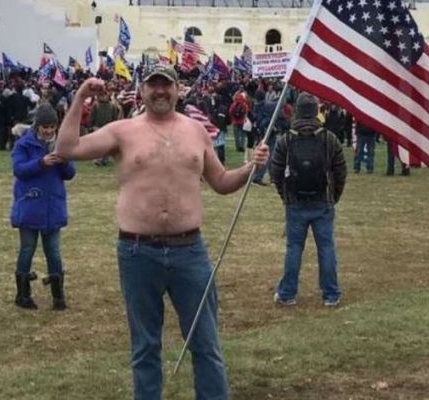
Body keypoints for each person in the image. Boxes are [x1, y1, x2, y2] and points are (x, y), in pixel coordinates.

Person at [56, 66, 269, 400]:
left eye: (166, 85)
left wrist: (250, 168)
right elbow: (67, 148)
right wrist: (81, 95)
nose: (160, 91)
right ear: (141, 91)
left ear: (177, 89)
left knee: (206, 343)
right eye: (153, 85)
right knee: (145, 347)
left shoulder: (197, 132)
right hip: (138, 253)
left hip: (190, 252)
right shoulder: (122, 131)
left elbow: (221, 182)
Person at [269, 92, 347, 307]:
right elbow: (340, 171)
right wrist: (334, 196)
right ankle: (331, 295)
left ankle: (287, 294)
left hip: (295, 202)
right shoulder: (329, 139)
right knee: (326, 248)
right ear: (316, 112)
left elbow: (275, 172)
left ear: (296, 111)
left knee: (294, 248)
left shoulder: (286, 140)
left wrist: (285, 196)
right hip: (323, 202)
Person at [10, 104, 75, 311]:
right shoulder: (23, 144)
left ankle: (58, 296)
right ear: (37, 126)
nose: (48, 131)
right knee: (27, 250)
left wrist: (63, 161)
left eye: (52, 127)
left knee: (53, 252)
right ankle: (22, 294)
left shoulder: (61, 145)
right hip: (30, 205)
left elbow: (70, 173)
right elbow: (19, 170)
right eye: (45, 127)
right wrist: (41, 163)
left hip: (52, 206)